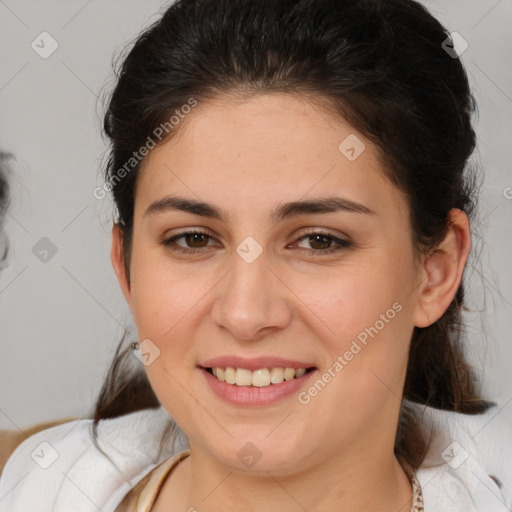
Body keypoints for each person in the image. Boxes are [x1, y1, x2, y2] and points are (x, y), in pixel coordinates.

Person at [1, 0, 511, 511]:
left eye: (319, 241)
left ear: (434, 273)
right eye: (193, 239)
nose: (245, 314)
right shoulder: (32, 488)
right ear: (126, 267)